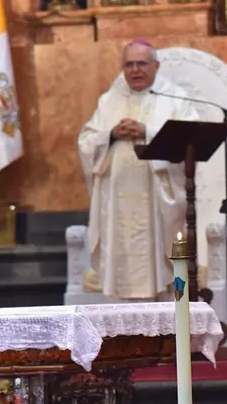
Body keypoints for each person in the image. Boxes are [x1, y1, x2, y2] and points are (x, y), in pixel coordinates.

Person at [77, 39, 199, 302]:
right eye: (129, 64)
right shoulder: (109, 100)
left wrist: (148, 132)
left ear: (155, 66)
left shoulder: (175, 98)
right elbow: (86, 142)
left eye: (142, 63)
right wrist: (110, 134)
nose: (135, 70)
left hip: (157, 204)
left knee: (161, 270)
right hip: (117, 205)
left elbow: (190, 141)